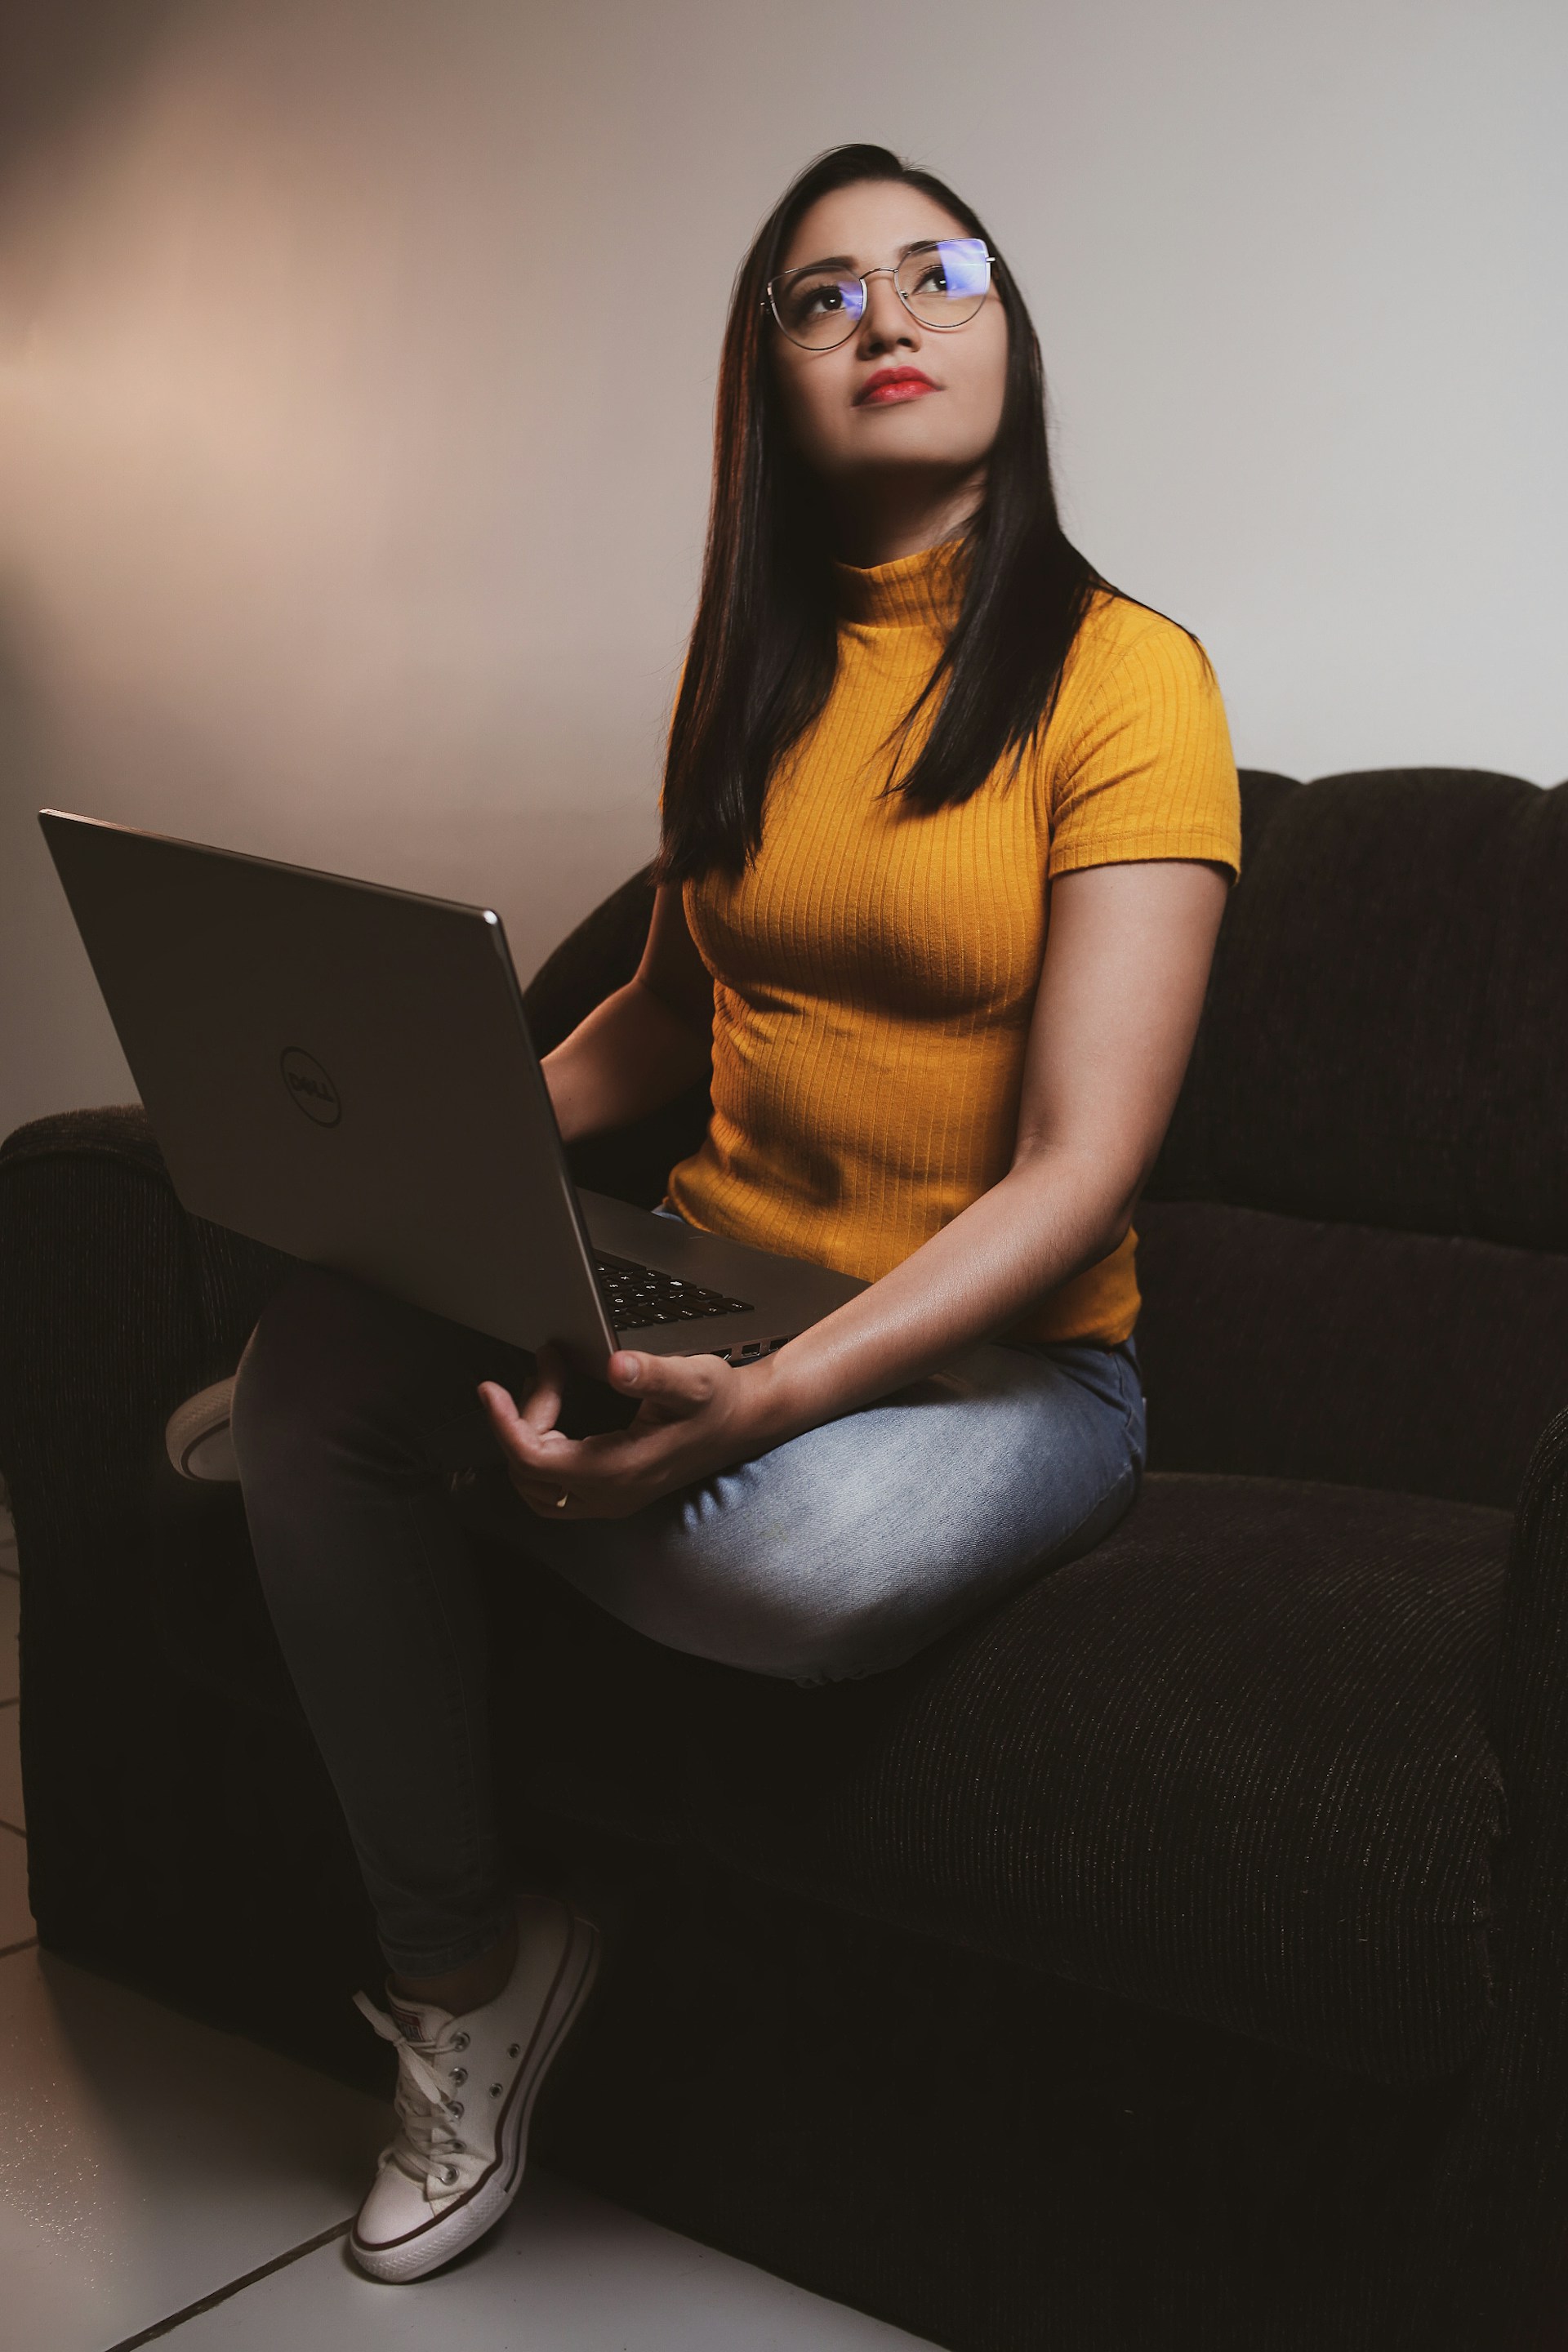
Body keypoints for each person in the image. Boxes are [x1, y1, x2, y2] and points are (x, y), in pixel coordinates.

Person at [231, 140, 1241, 2283]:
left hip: (1001, 1369)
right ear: (767, 379)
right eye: (821, 295)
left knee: (779, 1572)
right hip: (704, 1282)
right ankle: (469, 1965)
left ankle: (361, 1484)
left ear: (1008, 336)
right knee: (313, 1343)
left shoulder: (1131, 679)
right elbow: (661, 1024)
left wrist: (763, 1408)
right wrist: (435, 1144)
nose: (885, 314)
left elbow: (1082, 1176)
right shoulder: (753, 675)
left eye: (936, 272)